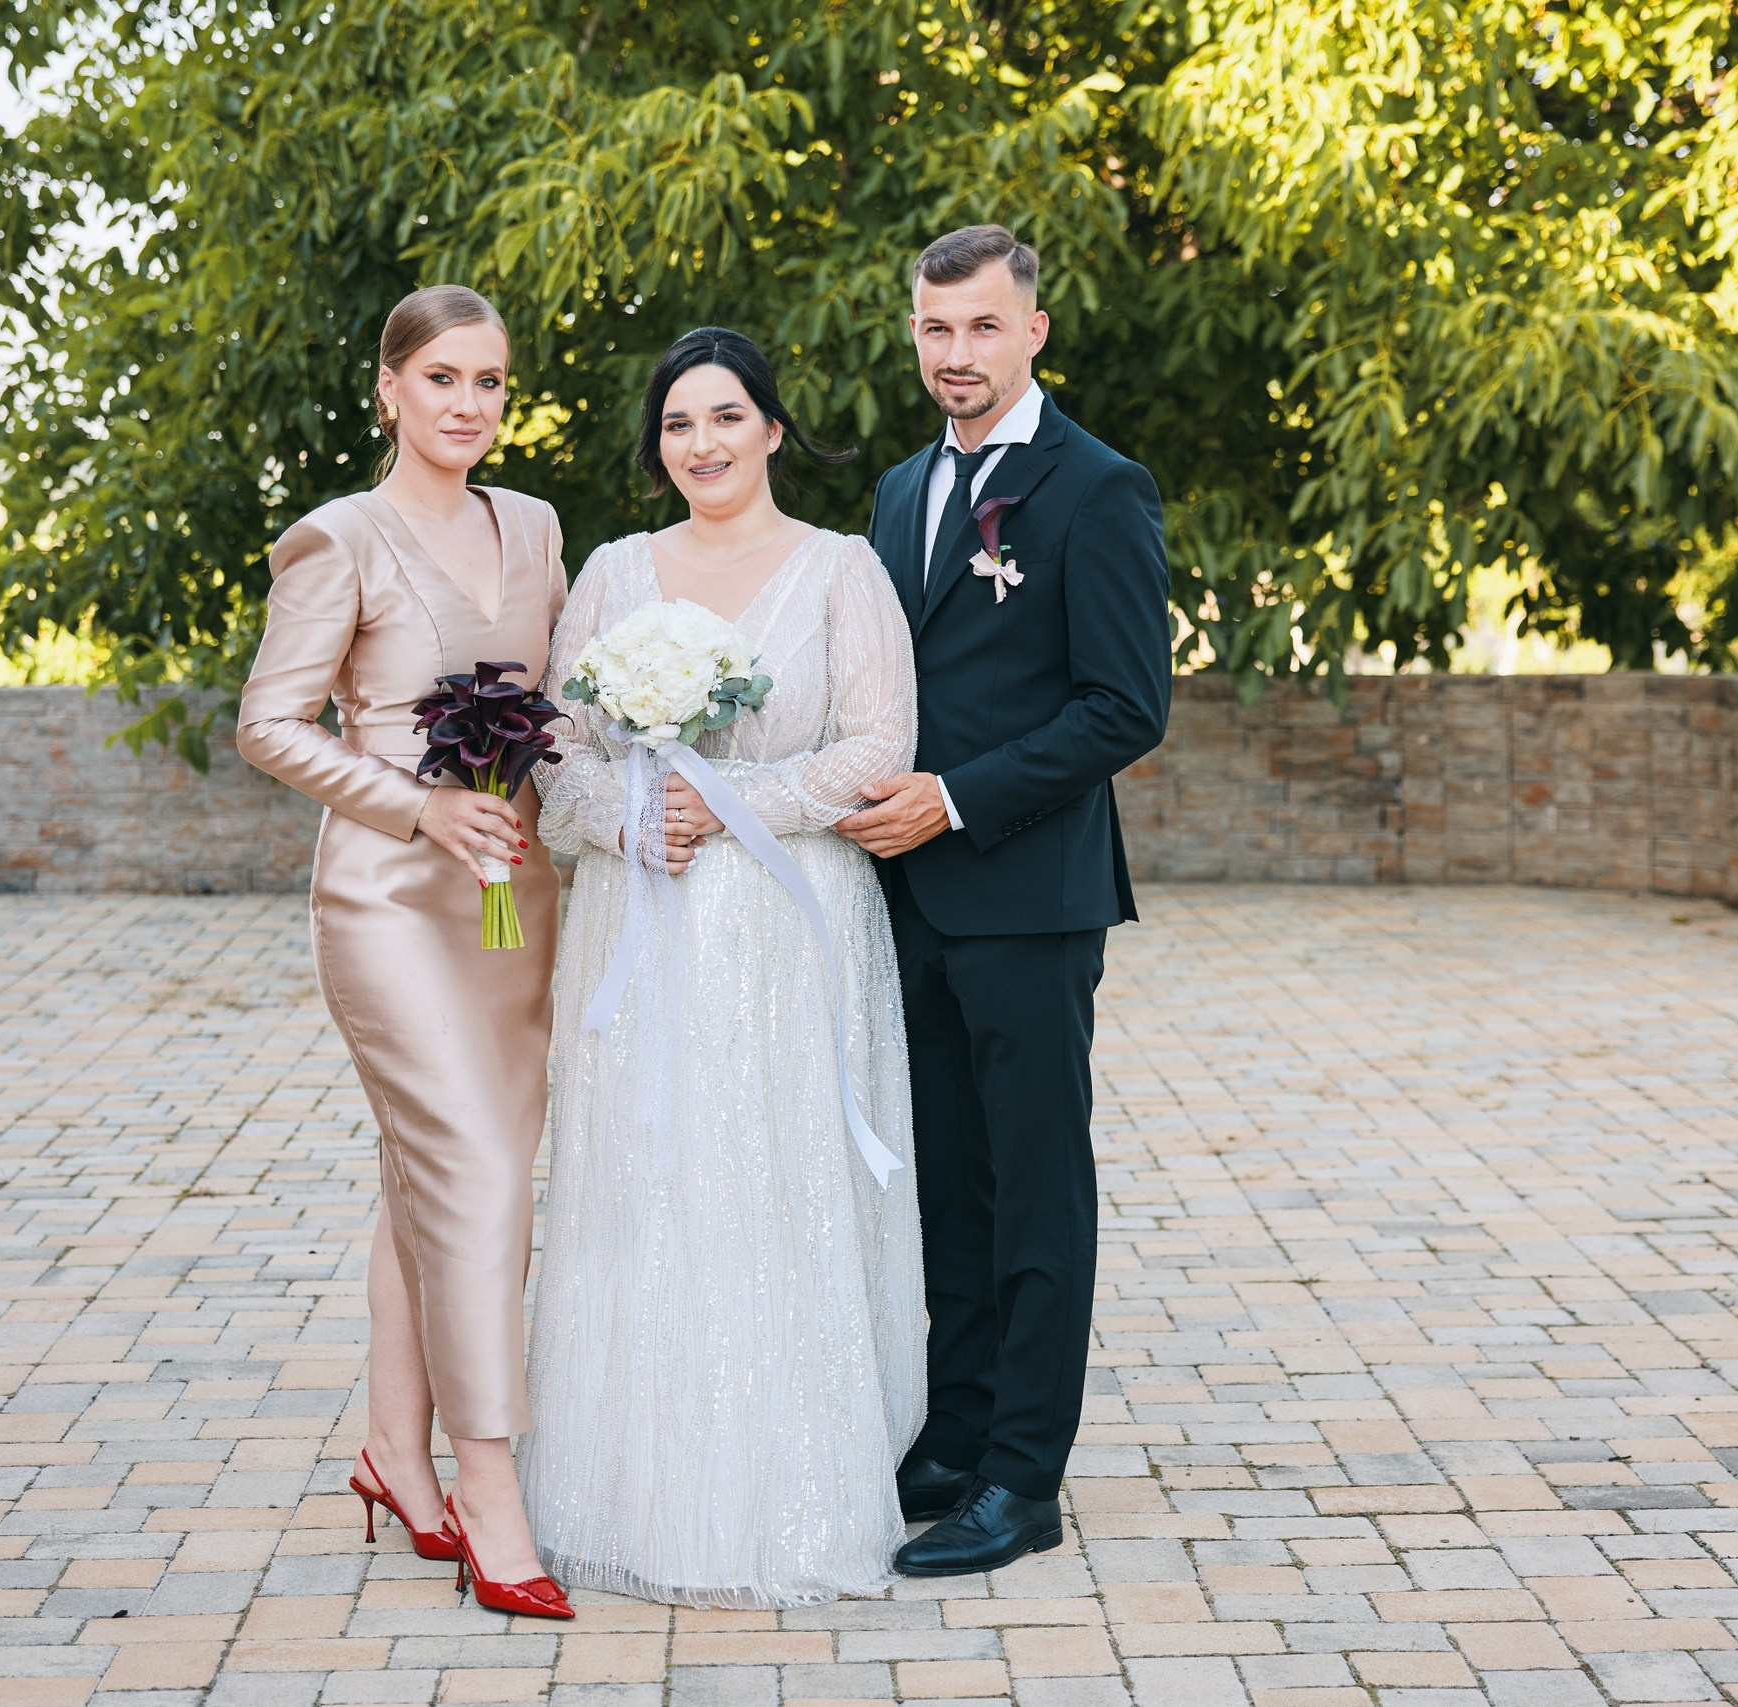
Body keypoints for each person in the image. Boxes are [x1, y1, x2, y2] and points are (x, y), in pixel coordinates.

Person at [522, 327, 927, 1606]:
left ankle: (792, 1497)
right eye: (678, 424)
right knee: (649, 1185)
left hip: (788, 920)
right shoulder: (613, 572)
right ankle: (638, 1493)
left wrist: (729, 798)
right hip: (645, 914)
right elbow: (553, 744)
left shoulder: (840, 571)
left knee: (779, 1178)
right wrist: (634, 815)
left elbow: (880, 744)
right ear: (660, 447)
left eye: (725, 416)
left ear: (770, 427)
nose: (701, 443)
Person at [838, 225, 1174, 1574]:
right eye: (935, 329)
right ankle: (957, 1431)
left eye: (981, 327)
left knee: (1036, 1187)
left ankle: (1024, 1477)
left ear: (1033, 329)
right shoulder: (897, 486)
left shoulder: (1096, 487)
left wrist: (956, 796)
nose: (956, 355)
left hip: (1028, 894)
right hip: (905, 899)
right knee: (947, 1186)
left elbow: (1124, 706)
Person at [236, 285, 572, 1619]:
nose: (467, 405)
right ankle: (489, 1484)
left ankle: (393, 1450)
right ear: (389, 388)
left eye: (489, 381)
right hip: (389, 895)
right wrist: (417, 798)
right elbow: (270, 721)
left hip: (514, 897)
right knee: (481, 1169)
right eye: (442, 378)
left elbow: (563, 699)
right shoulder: (340, 539)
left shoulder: (538, 526)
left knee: (426, 1177)